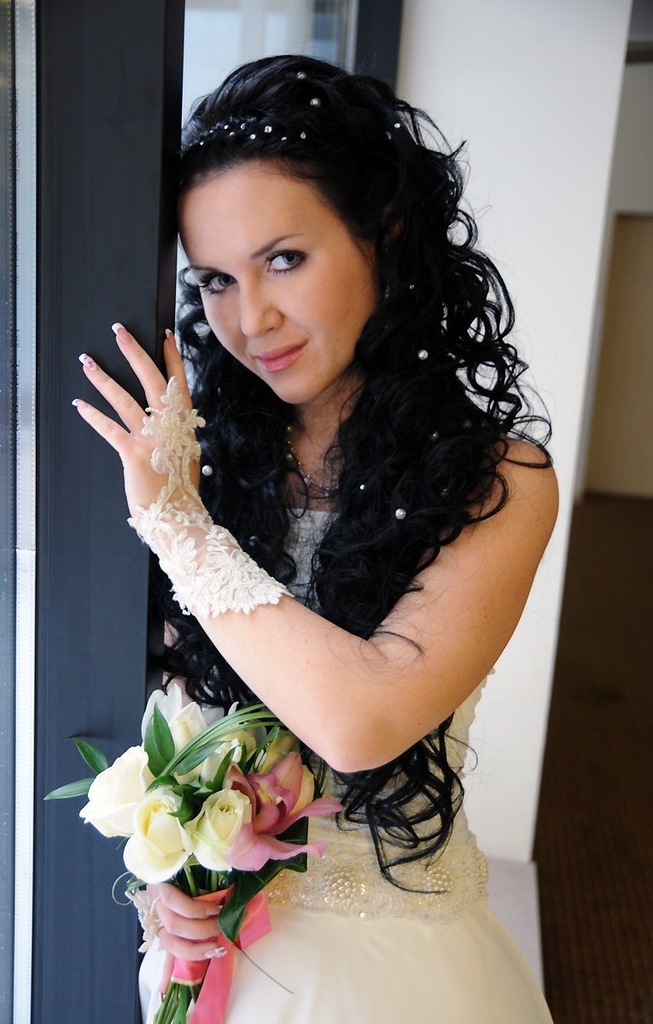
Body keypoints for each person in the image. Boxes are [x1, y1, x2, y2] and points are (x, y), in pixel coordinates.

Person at [74, 54, 557, 1023]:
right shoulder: (201, 455)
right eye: (215, 279)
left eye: (283, 260)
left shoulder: (500, 477)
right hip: (219, 959)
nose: (249, 319)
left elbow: (360, 721)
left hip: (396, 973)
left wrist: (178, 525)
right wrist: (167, 876)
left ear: (383, 231)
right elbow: (171, 714)